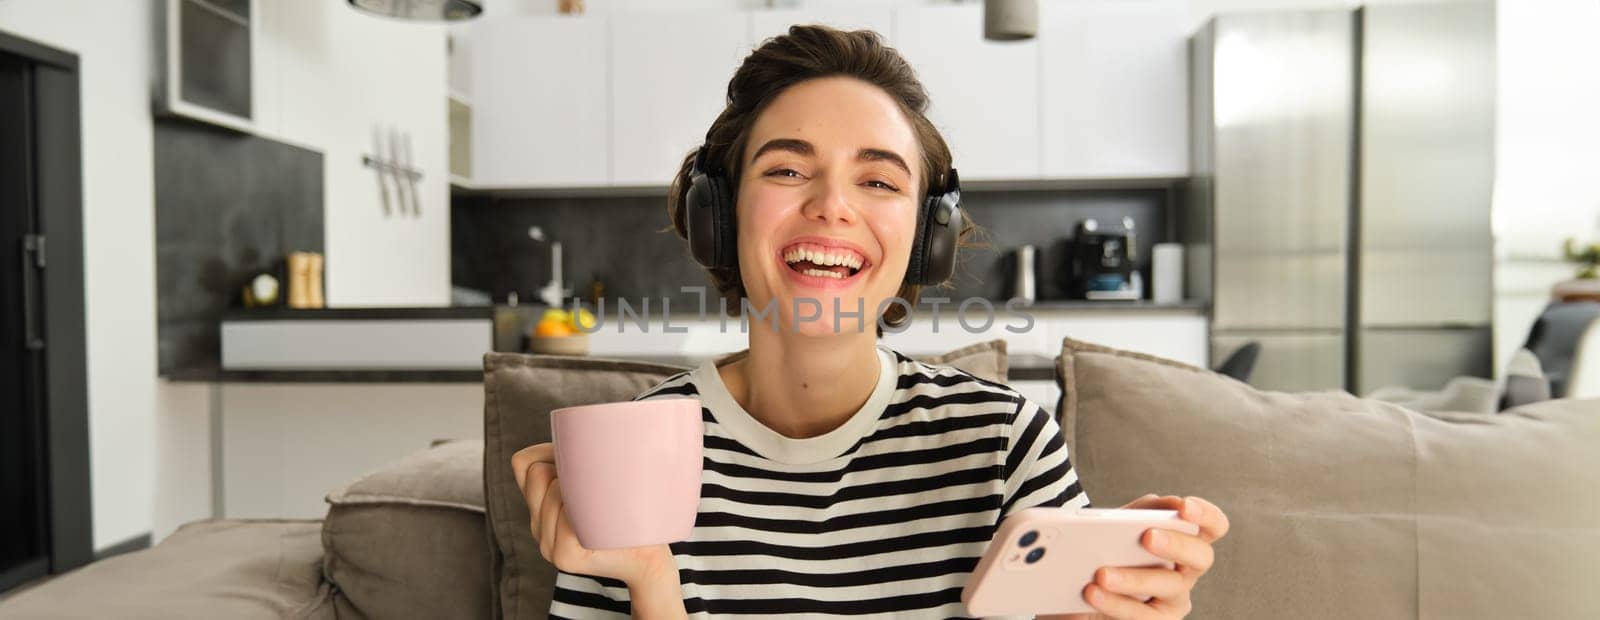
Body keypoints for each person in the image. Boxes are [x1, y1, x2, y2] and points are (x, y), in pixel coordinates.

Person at [512, 25, 1229, 619]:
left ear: (927, 236)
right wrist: (649, 580)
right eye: (788, 170)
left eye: (879, 181)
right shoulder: (629, 452)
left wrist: (1113, 598)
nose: (833, 205)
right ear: (718, 215)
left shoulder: (1005, 445)